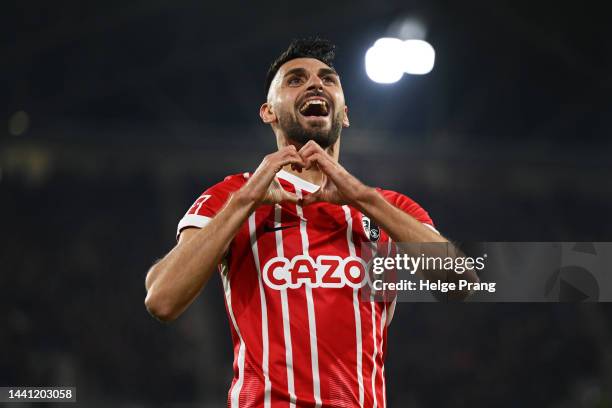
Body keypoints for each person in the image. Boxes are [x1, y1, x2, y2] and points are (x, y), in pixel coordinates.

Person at [144, 37, 477, 407]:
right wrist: (246, 201)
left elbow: (461, 282)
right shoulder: (233, 195)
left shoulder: (385, 207)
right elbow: (162, 299)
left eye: (327, 79)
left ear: (345, 113)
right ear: (268, 112)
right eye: (295, 80)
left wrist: (362, 198)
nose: (315, 84)